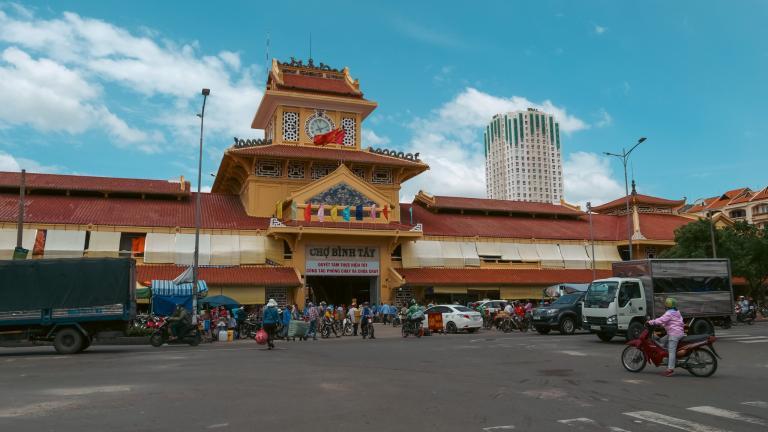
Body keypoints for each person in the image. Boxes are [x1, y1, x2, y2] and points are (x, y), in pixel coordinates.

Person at [647, 297, 684, 377]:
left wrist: (650, 322)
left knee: (671, 351)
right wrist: (663, 325)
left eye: (666, 304)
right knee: (661, 341)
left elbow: (661, 319)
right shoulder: (677, 312)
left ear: (667, 305)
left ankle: (670, 370)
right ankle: (666, 358)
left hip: (674, 334)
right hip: (678, 332)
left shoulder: (669, 313)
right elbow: (672, 322)